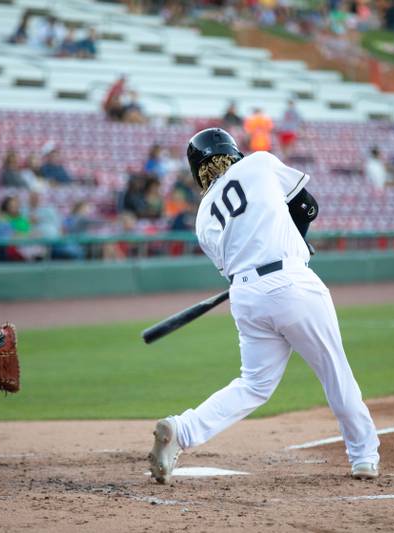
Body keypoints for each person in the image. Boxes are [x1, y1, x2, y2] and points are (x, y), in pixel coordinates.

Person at [148, 128, 380, 484]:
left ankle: (183, 429)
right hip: (292, 283)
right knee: (335, 372)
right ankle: (364, 456)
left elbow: (234, 260)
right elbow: (307, 206)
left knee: (253, 385)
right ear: (230, 151)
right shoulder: (258, 163)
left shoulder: (202, 216)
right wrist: (297, 238)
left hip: (246, 296)